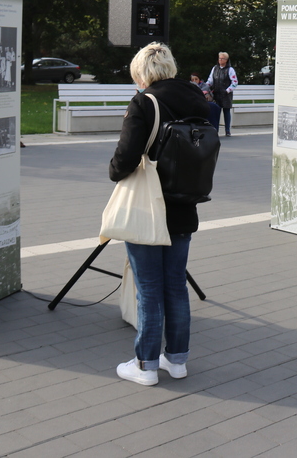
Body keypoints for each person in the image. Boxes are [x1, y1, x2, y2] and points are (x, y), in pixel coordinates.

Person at [109, 42, 210, 386]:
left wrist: (114, 170)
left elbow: (124, 159)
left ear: (142, 73)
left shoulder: (144, 102)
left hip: (148, 208)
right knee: (176, 286)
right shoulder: (198, 100)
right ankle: (177, 360)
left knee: (149, 288)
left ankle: (146, 365)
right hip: (184, 205)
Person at [206, 52, 238, 137]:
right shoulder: (215, 68)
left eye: (222, 58)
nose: (220, 60)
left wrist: (228, 90)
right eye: (219, 58)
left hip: (226, 94)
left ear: (226, 60)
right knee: (216, 111)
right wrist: (206, 87)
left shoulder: (230, 70)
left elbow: (234, 82)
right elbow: (210, 80)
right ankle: (215, 129)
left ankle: (227, 130)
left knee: (226, 111)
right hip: (216, 93)